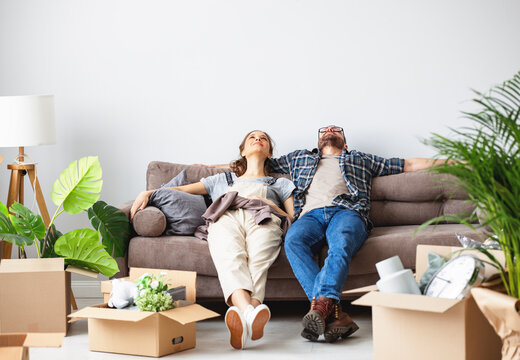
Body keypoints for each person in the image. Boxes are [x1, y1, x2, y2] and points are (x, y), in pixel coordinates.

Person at [266, 125, 447, 343]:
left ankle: (322, 307)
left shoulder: (360, 158)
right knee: (293, 241)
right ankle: (334, 314)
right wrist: (212, 169)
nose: (329, 131)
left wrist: (457, 162)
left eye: (336, 130)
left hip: (347, 212)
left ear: (346, 143)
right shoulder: (298, 157)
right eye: (324, 130)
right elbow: (256, 163)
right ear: (318, 142)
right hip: (309, 216)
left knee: (341, 243)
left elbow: (408, 164)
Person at [130, 130, 295, 350]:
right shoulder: (222, 179)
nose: (258, 139)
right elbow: (180, 189)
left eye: (263, 139)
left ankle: (244, 315)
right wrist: (148, 193)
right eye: (252, 138)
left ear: (269, 151)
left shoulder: (281, 183)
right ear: (243, 151)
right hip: (225, 216)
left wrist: (269, 205)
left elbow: (291, 217)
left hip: (263, 216)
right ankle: (251, 313)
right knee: (230, 258)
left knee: (259, 261)